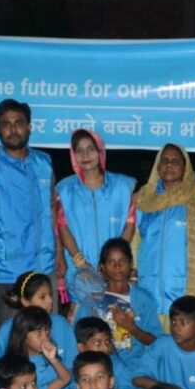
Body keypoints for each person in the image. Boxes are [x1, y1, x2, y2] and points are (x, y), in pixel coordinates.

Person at [0, 99, 58, 328]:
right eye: (6, 124)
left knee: (47, 334)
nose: (13, 129)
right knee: (11, 338)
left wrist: (60, 255)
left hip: (45, 267)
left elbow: (52, 211)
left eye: (19, 123)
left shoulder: (44, 163)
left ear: (29, 126)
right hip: (9, 273)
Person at [133, 143, 195, 327]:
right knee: (149, 335)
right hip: (149, 284)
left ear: (185, 167)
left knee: (186, 336)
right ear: (157, 166)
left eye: (175, 161)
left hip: (186, 286)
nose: (169, 164)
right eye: (164, 160)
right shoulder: (143, 197)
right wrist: (132, 275)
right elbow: (135, 240)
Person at [56, 129, 137, 302]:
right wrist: (81, 263)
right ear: (73, 155)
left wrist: (112, 262)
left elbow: (130, 223)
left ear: (100, 151)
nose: (85, 155)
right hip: (80, 272)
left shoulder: (122, 187)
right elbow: (62, 226)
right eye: (79, 150)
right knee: (84, 317)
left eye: (91, 149)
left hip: (115, 271)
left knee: (116, 315)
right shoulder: (65, 190)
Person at [70, 237, 160, 375]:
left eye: (122, 261)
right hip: (97, 367)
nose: (117, 266)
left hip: (135, 369)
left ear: (130, 263)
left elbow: (155, 341)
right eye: (111, 262)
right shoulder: (92, 300)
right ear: (103, 267)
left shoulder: (144, 299)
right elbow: (77, 338)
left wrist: (131, 327)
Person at [0, 271, 78, 377]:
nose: (50, 301)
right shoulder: (7, 329)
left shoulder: (61, 324)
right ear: (25, 301)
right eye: (42, 297)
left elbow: (73, 366)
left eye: (50, 295)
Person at [132, 295, 195, 389]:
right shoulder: (163, 344)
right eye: (173, 322)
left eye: (183, 322)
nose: (176, 328)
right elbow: (137, 378)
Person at [74, 316, 141, 389]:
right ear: (81, 347)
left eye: (107, 342)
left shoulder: (115, 364)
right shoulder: (77, 367)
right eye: (98, 343)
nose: (105, 348)